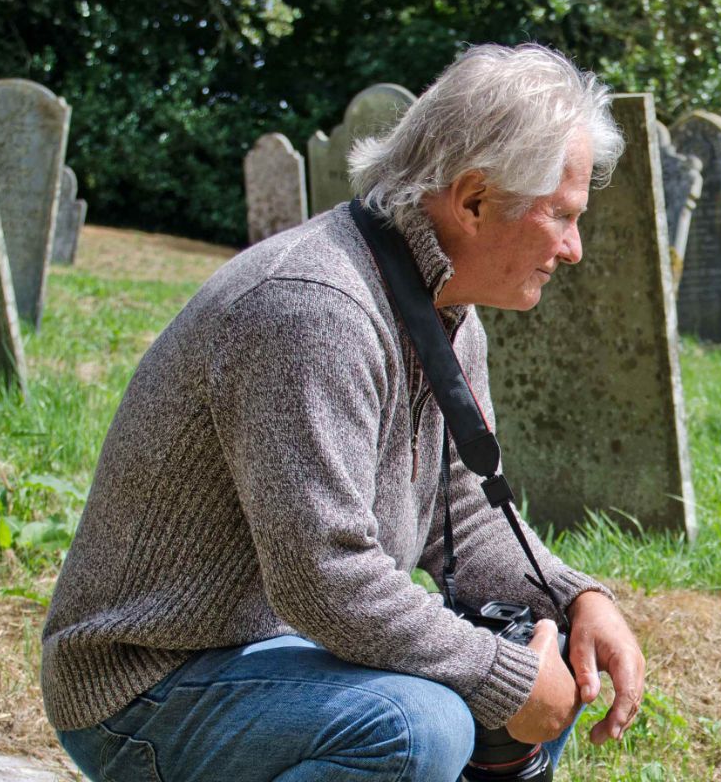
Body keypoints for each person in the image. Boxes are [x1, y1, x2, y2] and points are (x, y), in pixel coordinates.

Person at [40, 43, 645, 781]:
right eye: (561, 216)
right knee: (419, 731)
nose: (575, 248)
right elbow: (323, 575)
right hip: (144, 689)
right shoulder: (311, 308)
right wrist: (504, 679)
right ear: (474, 199)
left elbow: (468, 517)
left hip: (278, 658)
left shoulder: (446, 307)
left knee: (542, 651)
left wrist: (578, 599)